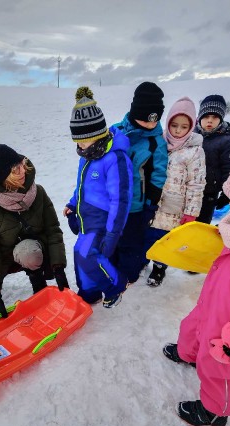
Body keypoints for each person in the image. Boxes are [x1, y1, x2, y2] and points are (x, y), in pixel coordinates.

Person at [163, 158, 230, 426]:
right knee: (194, 326)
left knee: (221, 372)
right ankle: (188, 353)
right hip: (215, 302)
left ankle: (214, 411)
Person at [0, 144, 69, 318]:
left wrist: (58, 267)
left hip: (30, 250)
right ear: (0, 178)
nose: (22, 172)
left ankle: (37, 280)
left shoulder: (38, 192)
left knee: (28, 251)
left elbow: (53, 231)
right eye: (14, 170)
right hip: (0, 254)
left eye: (21, 164)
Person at [63, 87, 133, 308]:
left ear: (96, 136)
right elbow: (82, 186)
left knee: (87, 255)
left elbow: (120, 200)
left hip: (103, 221)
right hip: (86, 218)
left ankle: (116, 285)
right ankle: (89, 291)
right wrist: (73, 203)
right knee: (79, 254)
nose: (79, 146)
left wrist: (113, 233)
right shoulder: (87, 155)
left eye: (82, 141)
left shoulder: (115, 159)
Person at [145, 97, 206, 286]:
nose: (178, 131)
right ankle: (143, 259)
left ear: (191, 127)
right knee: (148, 235)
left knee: (165, 241)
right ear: (168, 123)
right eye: (174, 125)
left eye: (184, 126)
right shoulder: (160, 142)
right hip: (154, 204)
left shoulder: (195, 151)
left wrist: (191, 212)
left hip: (174, 208)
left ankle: (159, 268)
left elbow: (196, 184)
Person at [112, 82, 168, 284]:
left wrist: (150, 205)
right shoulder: (116, 132)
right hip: (113, 202)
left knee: (132, 243)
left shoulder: (156, 143)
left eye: (155, 120)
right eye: (146, 120)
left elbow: (158, 176)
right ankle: (111, 269)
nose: (150, 125)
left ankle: (128, 274)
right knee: (112, 238)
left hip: (136, 206)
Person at [194, 94, 230, 224]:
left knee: (201, 222)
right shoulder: (192, 135)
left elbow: (229, 169)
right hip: (190, 188)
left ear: (221, 119)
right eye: (206, 116)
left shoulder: (225, 140)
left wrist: (226, 193)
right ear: (200, 117)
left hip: (209, 192)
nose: (210, 121)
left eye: (215, 117)